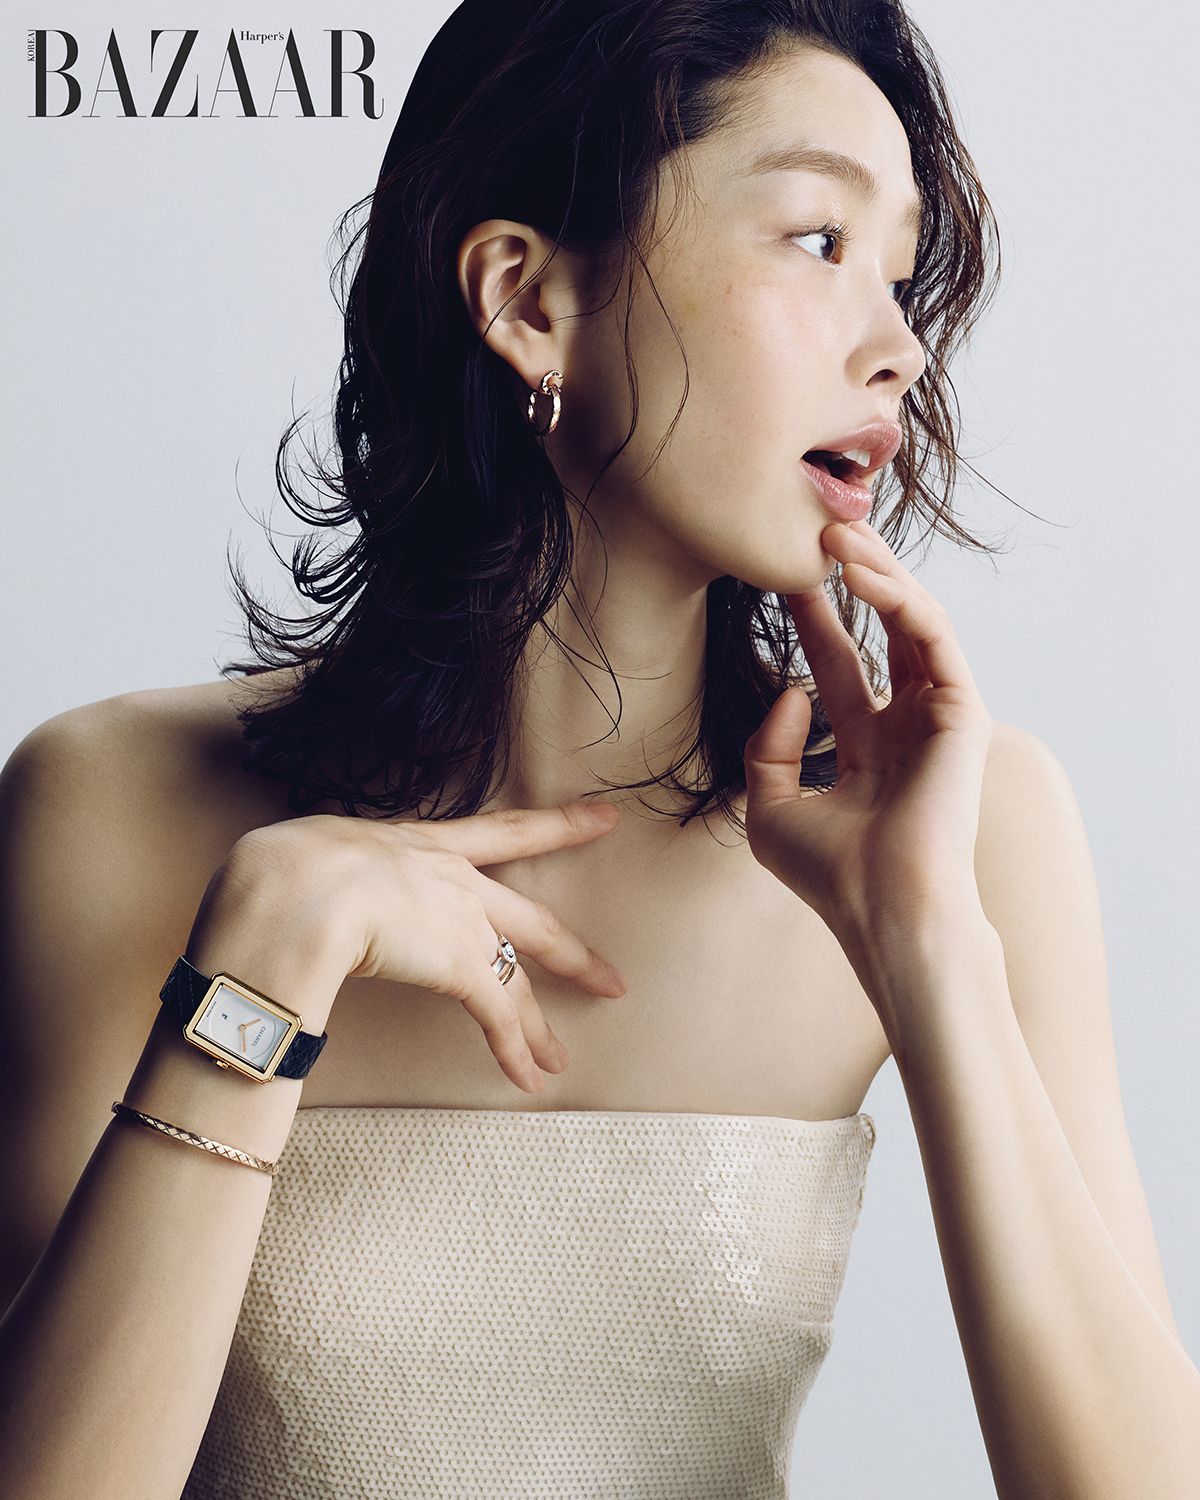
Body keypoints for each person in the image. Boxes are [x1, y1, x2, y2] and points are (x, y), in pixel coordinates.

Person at [2, 1, 1197, 1496]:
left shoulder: (966, 830)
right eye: (819, 240)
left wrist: (927, 939)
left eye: (900, 277)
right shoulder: (109, 807)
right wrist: (259, 969)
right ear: (528, 298)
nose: (898, 349)